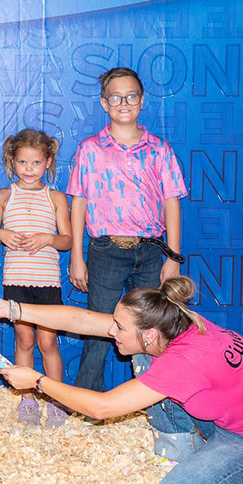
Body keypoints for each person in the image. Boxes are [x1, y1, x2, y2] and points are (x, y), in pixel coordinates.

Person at [0, 278, 243, 484]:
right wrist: (13, 309)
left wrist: (37, 381)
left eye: (119, 327)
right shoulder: (176, 324)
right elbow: (82, 320)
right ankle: (182, 452)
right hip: (237, 416)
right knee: (147, 362)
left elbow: (101, 407)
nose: (112, 331)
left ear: (148, 333)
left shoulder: (183, 361)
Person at [67, 66, 187, 395]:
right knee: (99, 328)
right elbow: (78, 202)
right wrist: (77, 256)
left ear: (142, 100)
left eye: (131, 96)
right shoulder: (90, 149)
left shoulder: (159, 150)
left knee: (153, 331)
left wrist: (173, 258)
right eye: (116, 97)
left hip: (151, 251)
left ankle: (158, 405)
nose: (124, 102)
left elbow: (171, 203)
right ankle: (87, 406)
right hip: (105, 251)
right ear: (104, 103)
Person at [0, 128, 71, 427]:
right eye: (23, 163)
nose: (29, 169)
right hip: (17, 280)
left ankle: (58, 401)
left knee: (48, 343)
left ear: (47, 162)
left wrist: (48, 238)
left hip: (48, 281)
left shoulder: (56, 197)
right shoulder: (3, 196)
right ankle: (27, 401)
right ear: (13, 161)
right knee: (24, 340)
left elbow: (67, 241)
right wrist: (1, 233)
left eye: (36, 163)